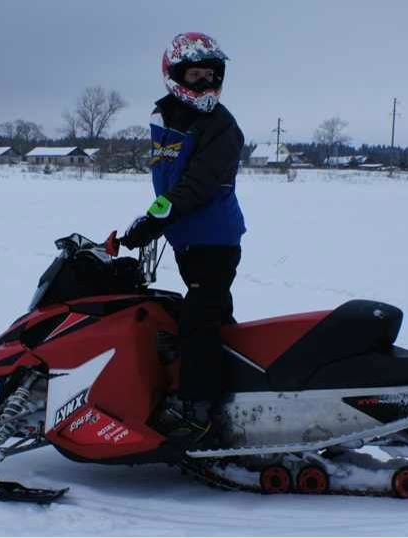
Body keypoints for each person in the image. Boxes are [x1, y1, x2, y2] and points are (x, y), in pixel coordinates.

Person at [121, 32, 245, 443]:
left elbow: (196, 186)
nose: (205, 84)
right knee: (205, 313)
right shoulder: (167, 118)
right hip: (188, 238)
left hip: (215, 238)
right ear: (175, 76)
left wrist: (156, 218)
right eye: (196, 75)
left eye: (211, 76)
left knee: (199, 319)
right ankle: (239, 390)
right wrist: (156, 220)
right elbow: (168, 181)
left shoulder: (222, 127)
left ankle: (199, 411)